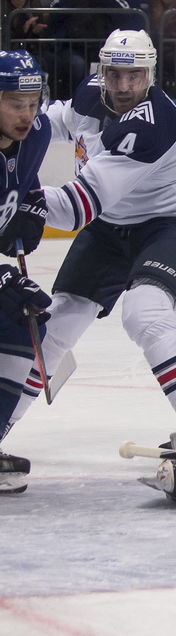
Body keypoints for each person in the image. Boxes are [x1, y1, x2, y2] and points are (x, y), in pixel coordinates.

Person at [6, 29, 176, 503]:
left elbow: (79, 205)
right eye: (115, 73)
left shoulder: (155, 123)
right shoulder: (92, 93)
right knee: (53, 322)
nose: (123, 86)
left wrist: (17, 196)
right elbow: (46, 123)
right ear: (102, 71)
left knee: (144, 311)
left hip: (175, 224)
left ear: (151, 75)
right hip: (112, 227)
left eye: (135, 75)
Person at [0, 50, 56, 495]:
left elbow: (28, 182)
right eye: (15, 103)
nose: (27, 114)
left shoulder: (37, 133)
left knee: (21, 322)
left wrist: (32, 209)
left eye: (33, 102)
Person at [46, 0, 138, 99]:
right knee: (76, 66)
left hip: (103, 49)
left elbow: (128, 19)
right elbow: (53, 14)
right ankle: (74, 104)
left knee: (114, 67)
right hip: (71, 48)